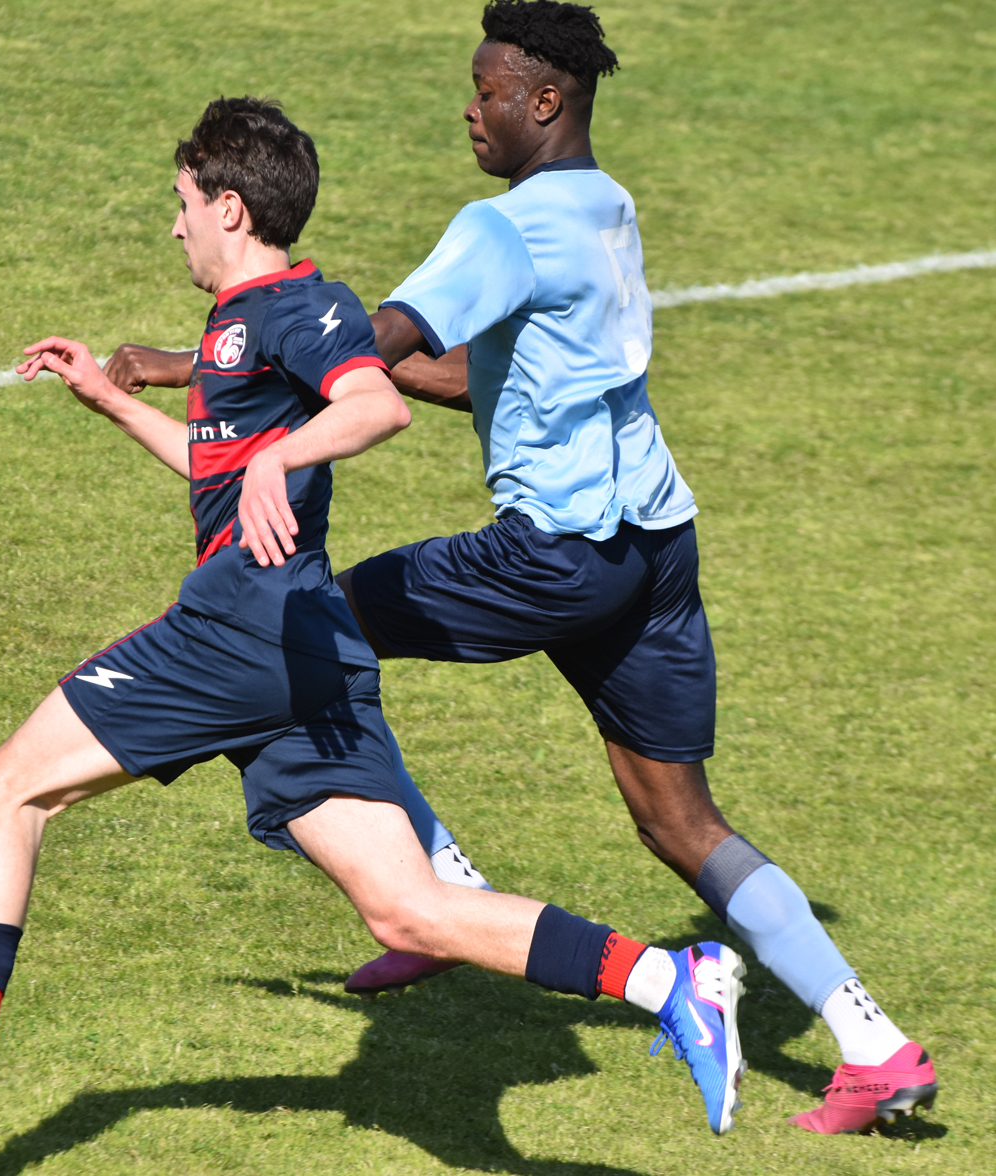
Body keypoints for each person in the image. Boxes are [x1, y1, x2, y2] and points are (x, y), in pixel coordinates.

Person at [0, 95, 746, 1143]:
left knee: (9, 784)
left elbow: (376, 404)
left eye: (183, 203)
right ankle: (670, 981)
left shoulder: (301, 309)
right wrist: (115, 402)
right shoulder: (236, 323)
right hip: (304, 652)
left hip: (236, 631)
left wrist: (281, 457)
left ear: (232, 209)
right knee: (406, 909)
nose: (175, 226)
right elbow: (219, 470)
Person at [111, 0, 938, 1139]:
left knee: (315, 624)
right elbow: (478, 378)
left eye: (488, 90)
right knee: (679, 821)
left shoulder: (498, 228)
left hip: (553, 554)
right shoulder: (608, 207)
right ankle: (872, 1042)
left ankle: (436, 902)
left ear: (544, 101)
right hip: (656, 547)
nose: (471, 109)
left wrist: (194, 365)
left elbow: (368, 352)